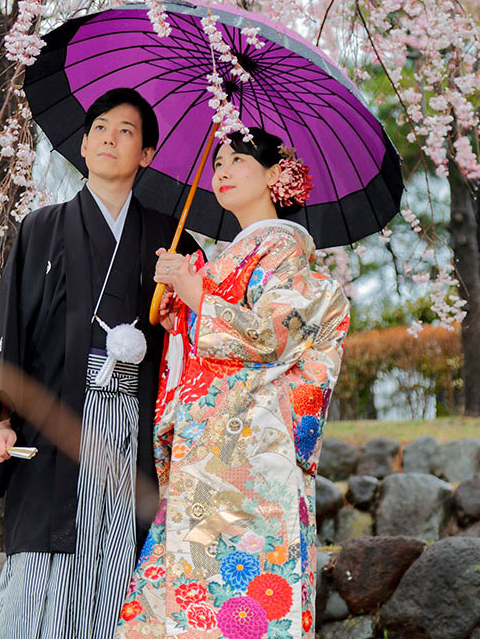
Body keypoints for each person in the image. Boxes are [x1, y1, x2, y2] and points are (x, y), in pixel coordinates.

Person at [0, 87, 198, 639]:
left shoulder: (172, 241)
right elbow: (8, 333)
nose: (108, 139)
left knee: (120, 566)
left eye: (125, 131)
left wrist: (178, 313)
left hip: (134, 431)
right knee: (42, 564)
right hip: (54, 426)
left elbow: (199, 336)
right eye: (99, 127)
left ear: (146, 154)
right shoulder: (41, 229)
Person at [116, 127, 350, 639]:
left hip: (253, 455)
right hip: (206, 448)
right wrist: (177, 307)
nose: (221, 169)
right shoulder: (228, 257)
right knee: (184, 599)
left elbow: (271, 337)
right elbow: (199, 347)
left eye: (238, 159)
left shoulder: (286, 252)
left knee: (242, 598)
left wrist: (197, 296)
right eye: (218, 160)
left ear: (276, 175)